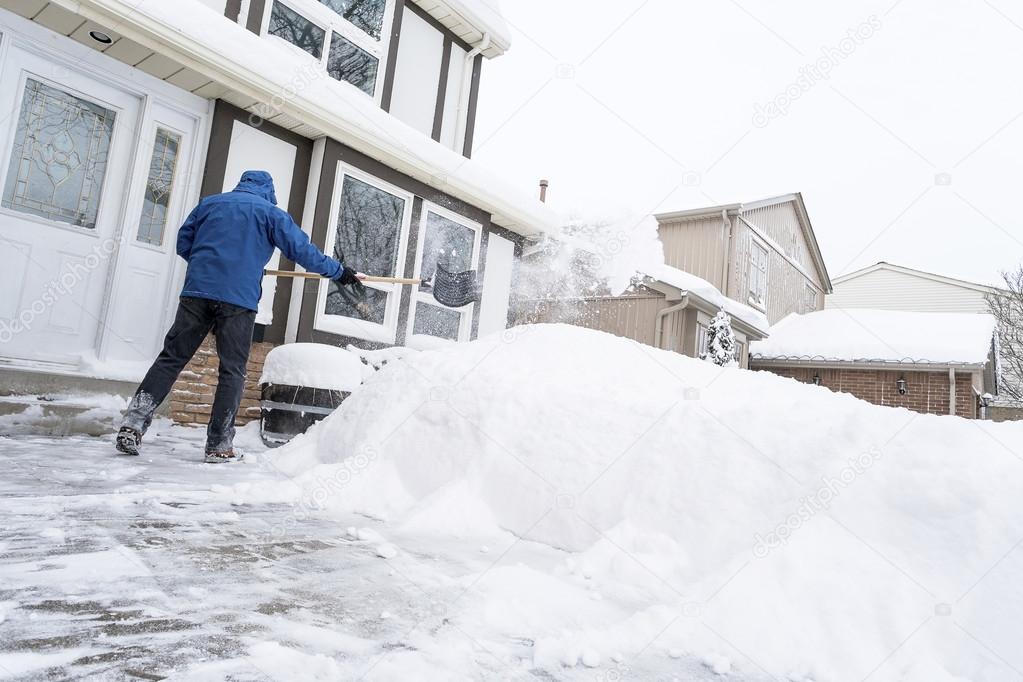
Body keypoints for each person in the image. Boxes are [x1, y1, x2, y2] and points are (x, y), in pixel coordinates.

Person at [116, 170, 361, 463]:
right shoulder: (271, 214)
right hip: (238, 301)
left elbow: (185, 244)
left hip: (197, 293)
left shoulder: (209, 204)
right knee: (232, 371)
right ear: (269, 192)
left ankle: (133, 423)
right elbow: (303, 251)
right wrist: (340, 273)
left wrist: (211, 265)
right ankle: (219, 445)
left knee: (172, 358)